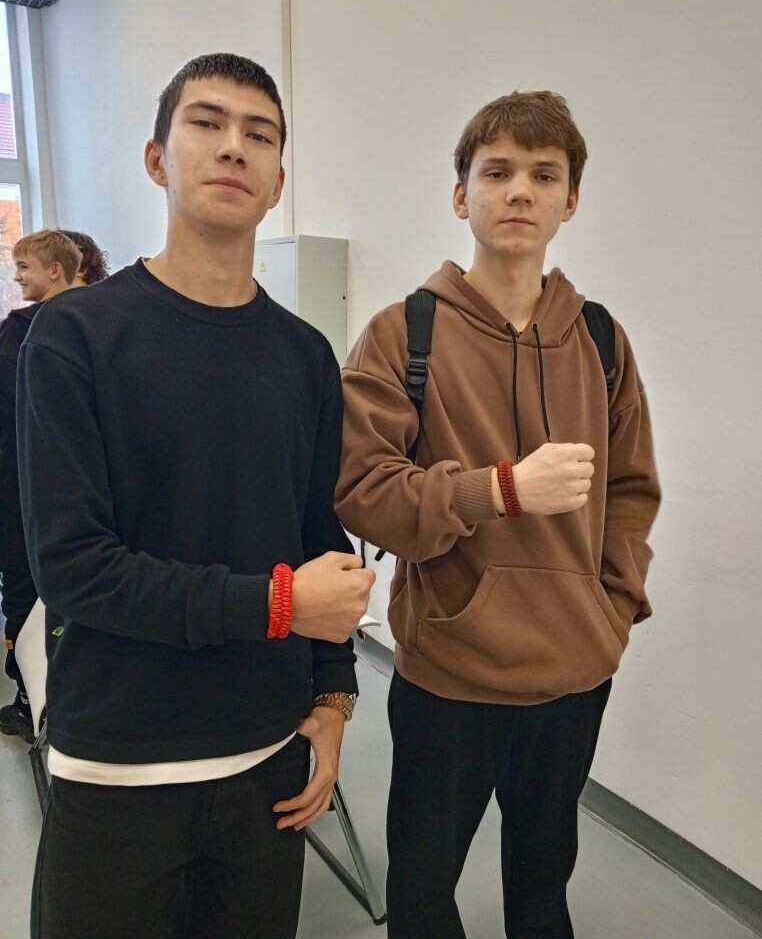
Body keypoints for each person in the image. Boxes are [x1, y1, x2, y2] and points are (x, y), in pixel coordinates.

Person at [18, 53, 373, 939]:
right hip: (118, 768)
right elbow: (74, 568)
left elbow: (316, 533)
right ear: (157, 158)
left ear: (278, 180)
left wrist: (333, 702)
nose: (233, 147)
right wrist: (280, 604)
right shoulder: (74, 335)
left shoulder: (304, 355)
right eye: (207, 124)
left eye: (260, 135)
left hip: (266, 764)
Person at [335, 90, 660, 938]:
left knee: (543, 887)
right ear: (461, 195)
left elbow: (632, 491)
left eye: (544, 175)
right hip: (448, 675)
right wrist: (501, 490)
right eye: (498, 172)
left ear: (570, 201)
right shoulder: (401, 334)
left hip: (575, 672)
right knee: (422, 889)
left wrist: (612, 609)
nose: (520, 191)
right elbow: (364, 491)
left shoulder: (601, 340)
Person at [0, 229, 82, 743]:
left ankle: (30, 700)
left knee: (24, 582)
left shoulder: (22, 330)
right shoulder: (98, 325)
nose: (16, 277)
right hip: (75, 486)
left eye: (23, 267)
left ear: (55, 270)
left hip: (23, 482)